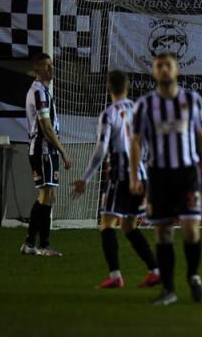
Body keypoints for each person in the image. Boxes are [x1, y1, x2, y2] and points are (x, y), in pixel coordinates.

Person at [129, 53, 202, 306]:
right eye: (159, 66)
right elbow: (136, 141)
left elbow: (201, 137)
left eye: (168, 65)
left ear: (177, 69)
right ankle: (169, 289)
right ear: (154, 72)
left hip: (187, 173)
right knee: (163, 232)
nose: (164, 70)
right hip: (159, 175)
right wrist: (135, 176)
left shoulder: (191, 99)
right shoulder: (144, 104)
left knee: (190, 230)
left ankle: (193, 276)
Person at [72, 70, 161, 289]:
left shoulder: (109, 114)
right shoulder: (140, 110)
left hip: (121, 174)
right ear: (128, 87)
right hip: (141, 174)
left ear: (108, 88)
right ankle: (155, 270)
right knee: (129, 226)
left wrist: (85, 178)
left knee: (107, 224)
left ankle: (115, 275)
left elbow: (101, 150)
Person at [21, 52, 71, 256]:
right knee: (46, 194)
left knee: (47, 195)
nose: (51, 68)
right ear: (37, 70)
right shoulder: (39, 92)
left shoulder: (41, 90)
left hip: (42, 148)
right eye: (46, 66)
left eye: (51, 65)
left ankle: (31, 244)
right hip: (43, 148)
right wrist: (63, 151)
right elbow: (46, 127)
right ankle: (42, 246)